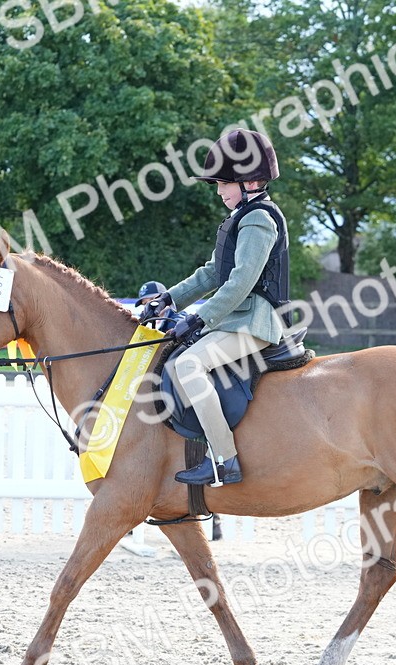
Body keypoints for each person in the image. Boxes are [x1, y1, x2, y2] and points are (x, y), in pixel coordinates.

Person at [139, 128, 290, 487]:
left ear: (251, 181)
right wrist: (171, 299)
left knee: (187, 365)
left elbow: (240, 282)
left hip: (255, 321)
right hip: (235, 320)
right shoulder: (239, 217)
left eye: (224, 183)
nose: (219, 191)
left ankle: (224, 459)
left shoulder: (258, 219)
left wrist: (197, 318)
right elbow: (211, 273)